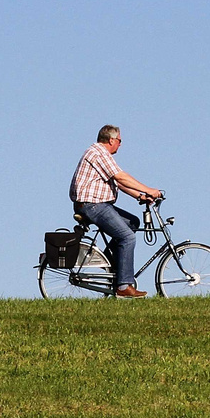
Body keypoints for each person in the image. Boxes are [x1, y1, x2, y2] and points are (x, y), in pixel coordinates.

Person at [70, 124, 163, 298]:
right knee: (128, 237)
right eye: (120, 140)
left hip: (98, 204)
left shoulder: (100, 153)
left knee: (133, 222)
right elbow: (120, 176)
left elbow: (117, 183)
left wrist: (140, 196)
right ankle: (123, 286)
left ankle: (112, 263)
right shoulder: (98, 153)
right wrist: (148, 189)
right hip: (93, 205)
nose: (120, 144)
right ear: (111, 140)